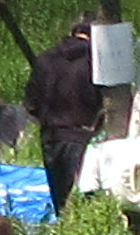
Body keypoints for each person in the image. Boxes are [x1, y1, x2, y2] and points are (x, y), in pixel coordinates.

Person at [25, 13, 103, 188]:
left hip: (52, 137)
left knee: (61, 199)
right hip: (87, 138)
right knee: (86, 199)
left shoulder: (46, 59)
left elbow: (31, 104)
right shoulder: (98, 61)